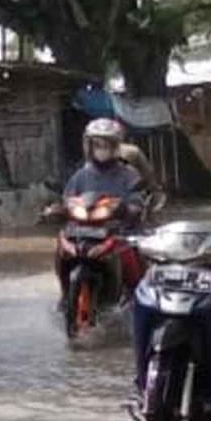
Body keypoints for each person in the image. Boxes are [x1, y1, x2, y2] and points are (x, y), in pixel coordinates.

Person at [58, 118, 145, 309]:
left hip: (118, 229)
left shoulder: (128, 174)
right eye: (97, 144)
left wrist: (127, 209)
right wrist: (58, 208)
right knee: (62, 245)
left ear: (115, 146)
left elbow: (137, 201)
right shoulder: (81, 175)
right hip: (85, 230)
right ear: (89, 146)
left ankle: (135, 295)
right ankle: (65, 294)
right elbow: (68, 198)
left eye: (106, 144)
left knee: (129, 253)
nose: (101, 149)